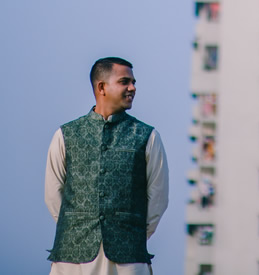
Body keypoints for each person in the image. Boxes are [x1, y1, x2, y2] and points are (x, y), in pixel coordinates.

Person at [45, 57, 169, 274]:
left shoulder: (148, 136)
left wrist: (131, 234)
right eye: (125, 81)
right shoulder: (65, 135)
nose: (133, 88)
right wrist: (77, 228)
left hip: (129, 259)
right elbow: (52, 194)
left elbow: (158, 197)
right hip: (72, 259)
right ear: (101, 87)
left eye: (133, 82)